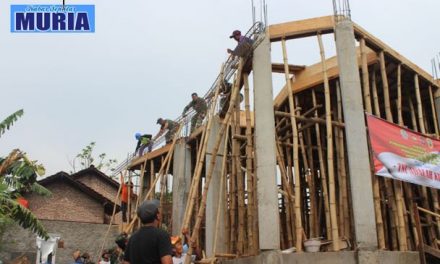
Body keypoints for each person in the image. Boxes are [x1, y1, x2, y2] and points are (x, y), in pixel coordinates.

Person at [123, 199, 173, 264]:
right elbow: (167, 262)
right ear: (157, 216)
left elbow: (126, 262)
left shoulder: (132, 238)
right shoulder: (162, 235)